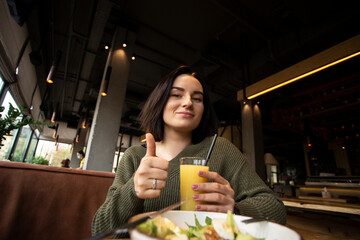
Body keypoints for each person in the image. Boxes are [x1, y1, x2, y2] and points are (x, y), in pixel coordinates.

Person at [91, 66, 286, 237]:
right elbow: (100, 230)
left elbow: (276, 210)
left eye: (197, 98)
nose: (188, 103)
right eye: (176, 95)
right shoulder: (135, 156)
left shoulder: (220, 149)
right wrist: (133, 191)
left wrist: (234, 211)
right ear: (160, 101)